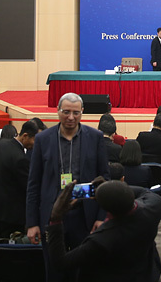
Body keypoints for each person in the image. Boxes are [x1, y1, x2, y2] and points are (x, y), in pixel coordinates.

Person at [26, 93, 108, 282]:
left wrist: (101, 217)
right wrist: (32, 223)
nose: (71, 117)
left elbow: (104, 179)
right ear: (58, 111)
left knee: (84, 272)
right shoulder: (43, 139)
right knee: (54, 271)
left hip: (85, 216)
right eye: (66, 112)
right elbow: (33, 183)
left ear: (82, 112)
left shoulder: (95, 137)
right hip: (52, 216)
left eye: (76, 113)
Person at [46, 180, 161, 282]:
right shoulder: (155, 206)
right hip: (146, 275)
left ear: (105, 208)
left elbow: (61, 263)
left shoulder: (102, 240)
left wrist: (56, 218)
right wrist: (110, 188)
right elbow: (144, 192)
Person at [0, 120, 39, 237]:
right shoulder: (20, 159)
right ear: (25, 136)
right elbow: (29, 188)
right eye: (34, 140)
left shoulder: (1, 144)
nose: (35, 144)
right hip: (12, 216)